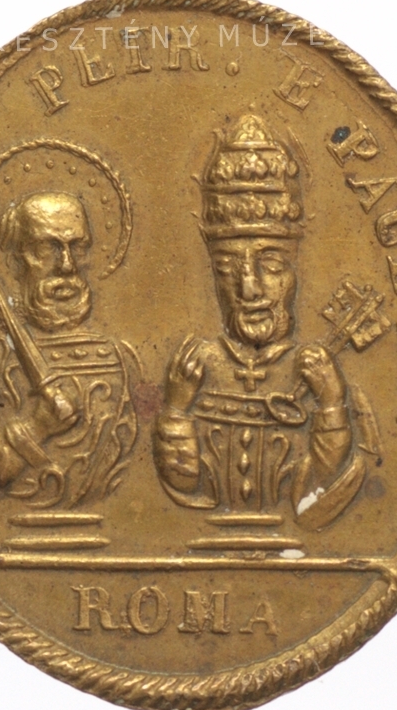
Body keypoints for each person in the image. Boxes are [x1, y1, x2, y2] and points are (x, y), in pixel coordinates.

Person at [153, 114, 366, 529]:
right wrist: (176, 410)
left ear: (294, 272)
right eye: (227, 268)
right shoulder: (196, 366)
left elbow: (322, 488)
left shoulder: (314, 370)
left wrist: (331, 404)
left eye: (270, 266)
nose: (249, 288)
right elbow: (183, 482)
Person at [0, 192, 136, 508]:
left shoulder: (121, 360)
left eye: (77, 247)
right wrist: (36, 427)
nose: (67, 266)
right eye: (47, 249)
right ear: (15, 262)